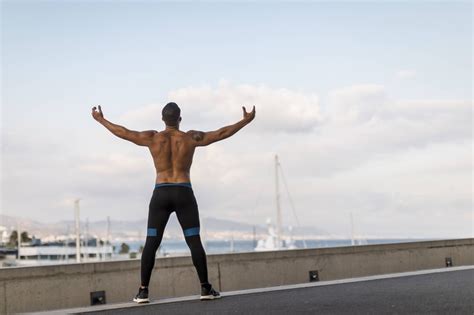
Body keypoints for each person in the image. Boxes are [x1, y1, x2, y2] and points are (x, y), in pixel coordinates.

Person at [91, 102, 256, 303]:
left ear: (162, 119)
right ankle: (205, 288)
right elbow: (221, 133)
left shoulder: (152, 138)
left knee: (152, 242)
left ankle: (143, 291)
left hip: (161, 193)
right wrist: (245, 121)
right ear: (180, 119)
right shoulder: (190, 137)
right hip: (183, 192)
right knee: (194, 240)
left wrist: (101, 120)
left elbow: (123, 132)